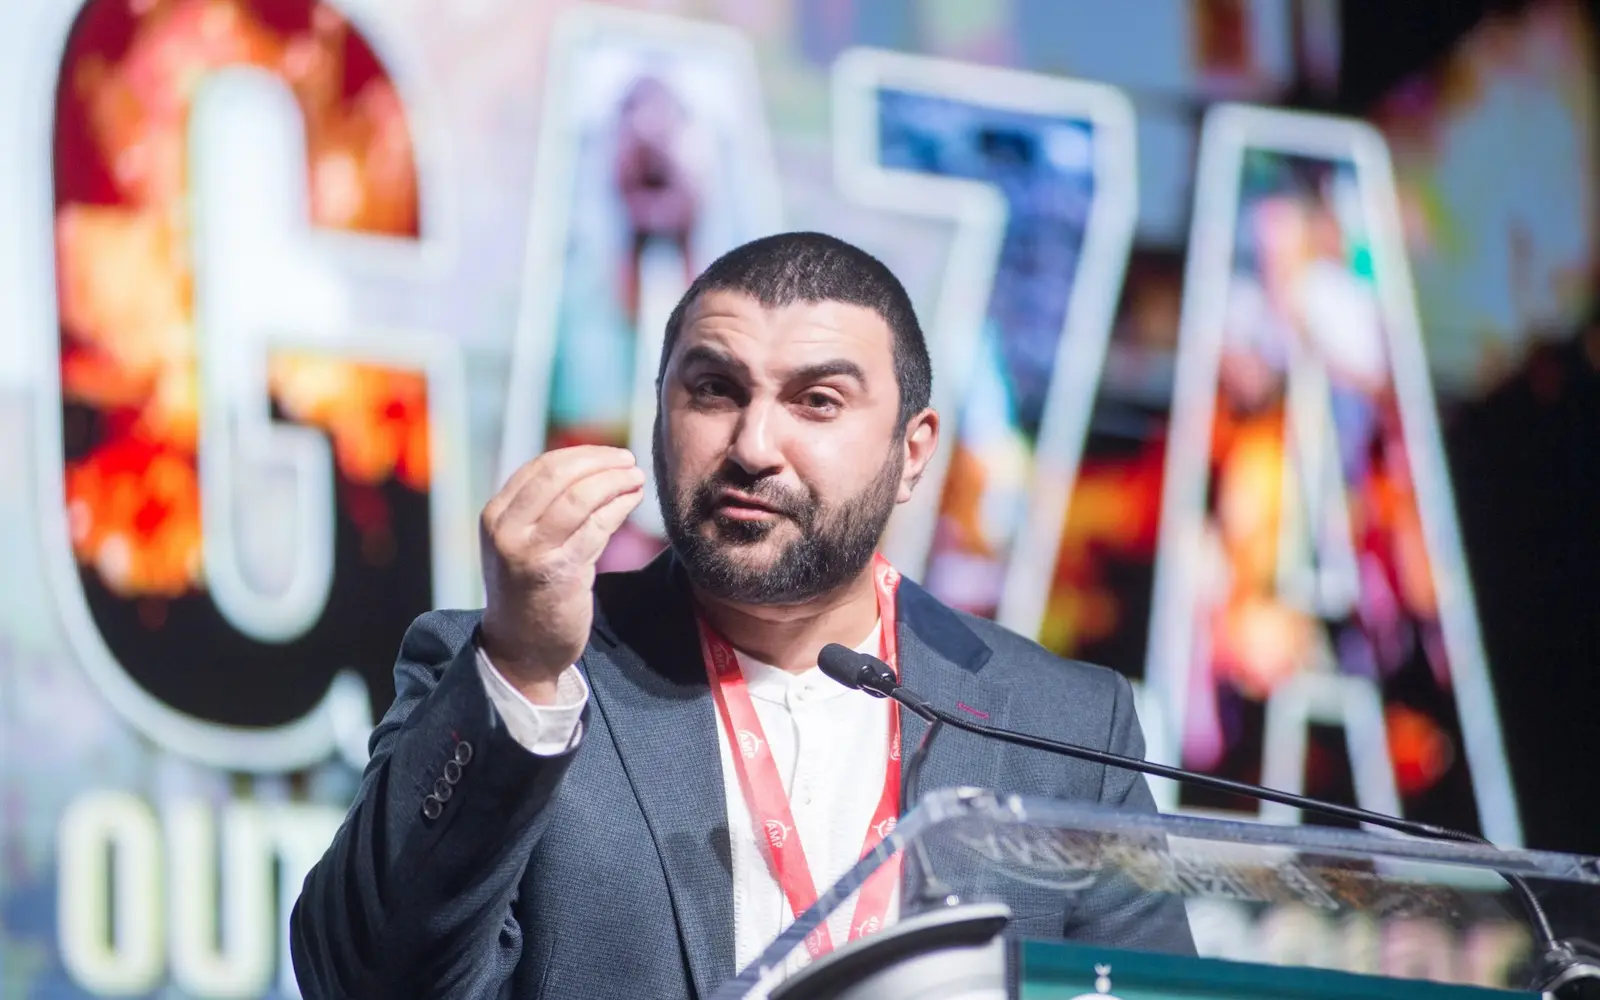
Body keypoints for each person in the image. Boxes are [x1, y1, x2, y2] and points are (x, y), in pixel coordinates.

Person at [290, 232, 1193, 999]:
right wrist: (521, 671)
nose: (754, 446)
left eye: (818, 401)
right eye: (715, 390)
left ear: (912, 452)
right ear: (659, 413)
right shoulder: (511, 674)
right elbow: (361, 980)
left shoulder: (1065, 726)